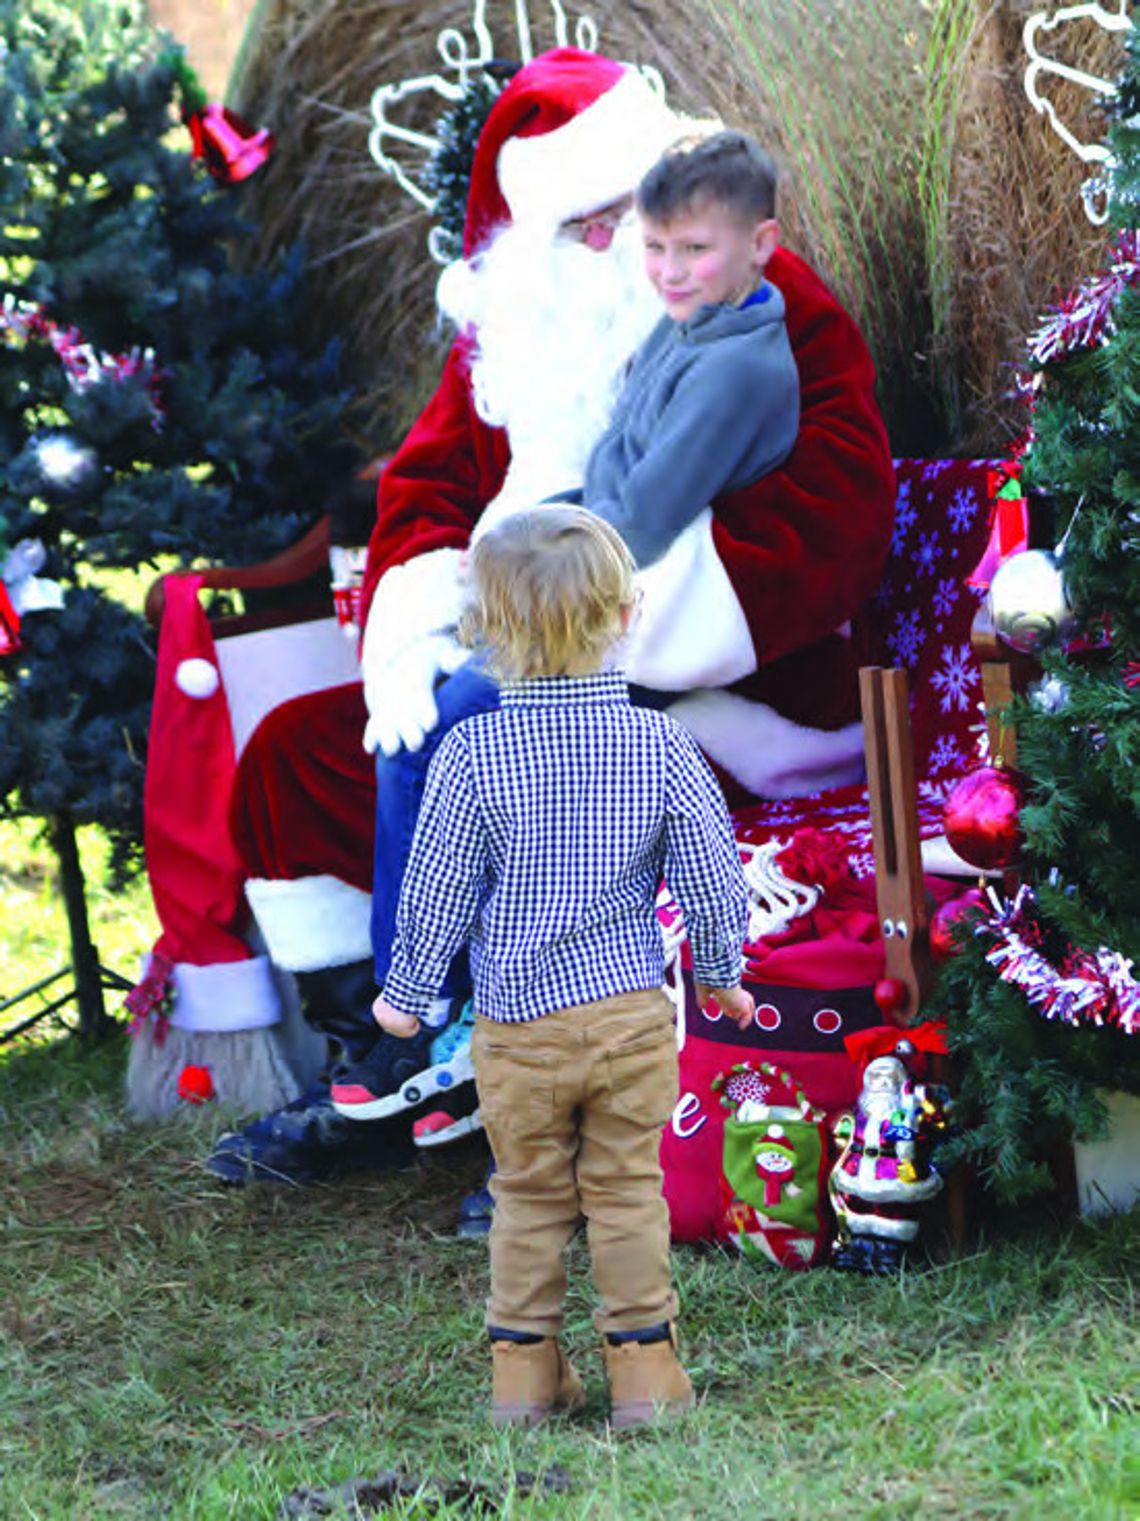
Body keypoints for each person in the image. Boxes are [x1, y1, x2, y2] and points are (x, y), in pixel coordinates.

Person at [205, 47, 896, 1185]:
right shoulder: (516, 344)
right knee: (299, 755)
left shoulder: (769, 313)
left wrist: (606, 634)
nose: (623, 243)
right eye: (586, 224)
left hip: (719, 685)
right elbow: (424, 493)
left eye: (638, 207)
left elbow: (837, 516)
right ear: (531, 248)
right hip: (519, 656)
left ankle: (502, 1102)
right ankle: (379, 1074)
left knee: (493, 748)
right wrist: (411, 636)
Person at [370, 505, 755, 1427]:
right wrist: (721, 974)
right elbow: (711, 871)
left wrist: (407, 995)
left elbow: (438, 886)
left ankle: (525, 1381)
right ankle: (646, 1378)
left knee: (529, 1196)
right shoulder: (661, 744)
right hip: (626, 1016)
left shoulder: (470, 751)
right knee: (627, 1190)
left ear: (485, 634)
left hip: (517, 1031)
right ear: (626, 618)